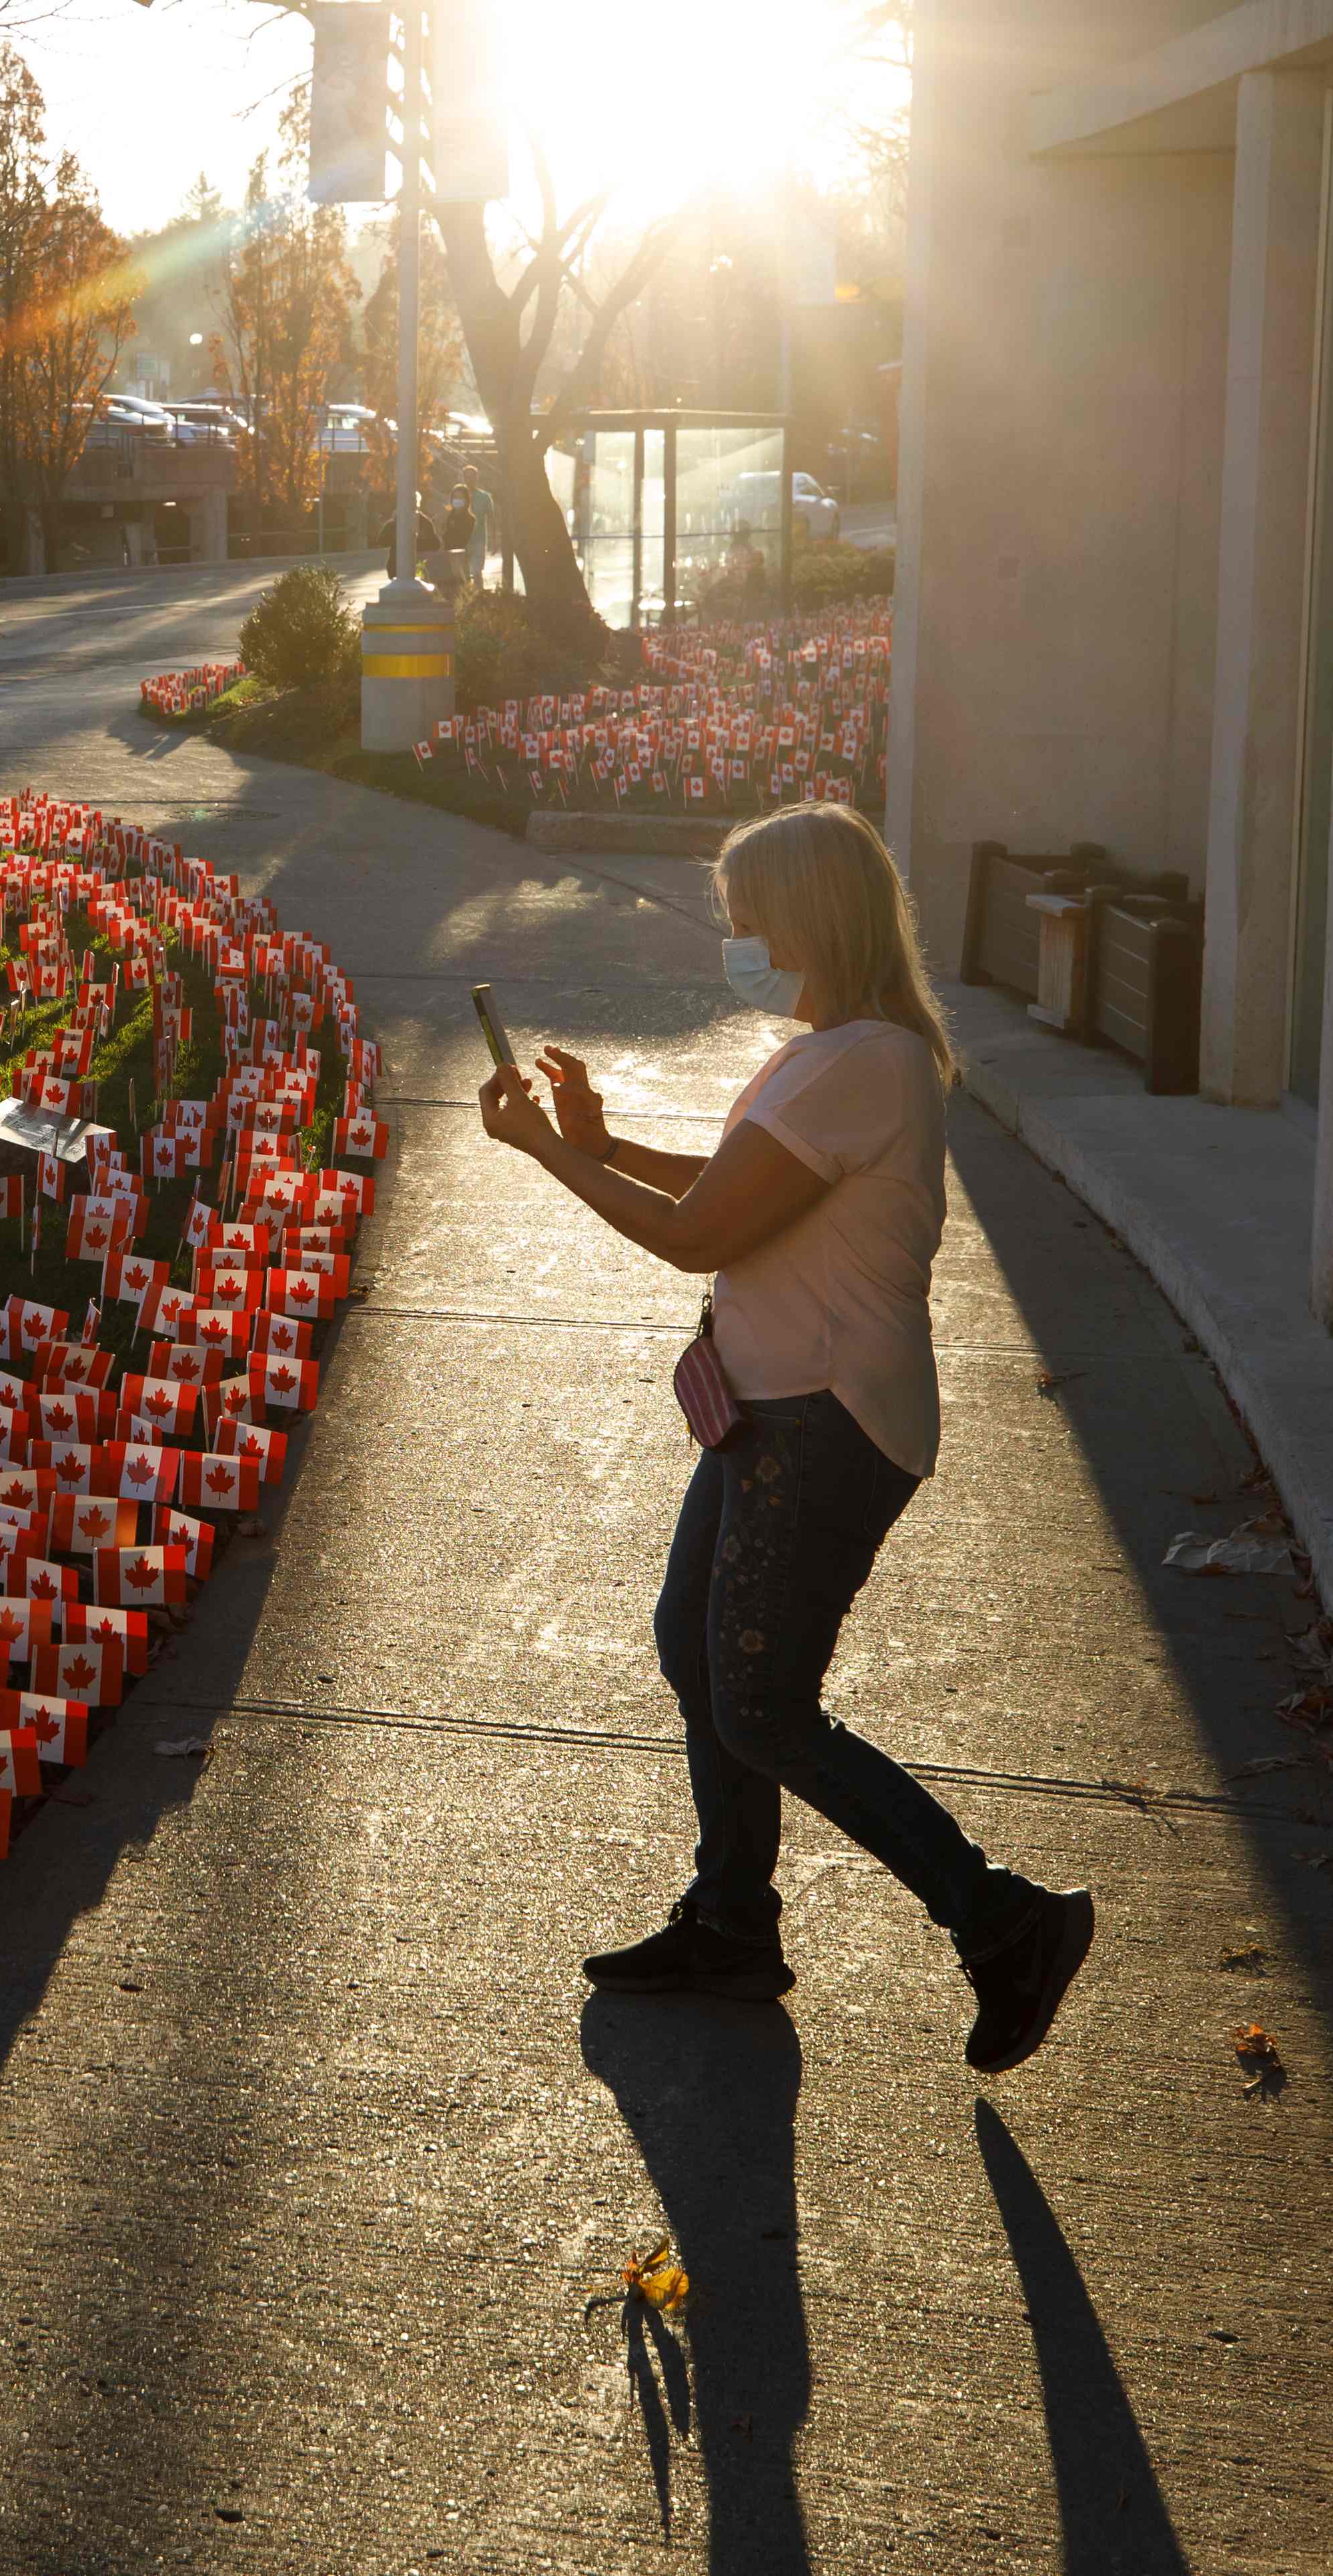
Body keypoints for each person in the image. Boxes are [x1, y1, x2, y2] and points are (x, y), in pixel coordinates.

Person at [473, 801, 1097, 2073]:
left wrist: (547, 1156)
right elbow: (732, 1191)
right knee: (695, 1651)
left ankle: (1002, 1920)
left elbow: (703, 1236)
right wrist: (602, 1143)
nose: (736, 939)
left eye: (751, 919)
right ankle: (732, 1923)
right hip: (771, 1408)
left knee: (760, 1703)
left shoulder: (865, 1060)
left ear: (813, 918)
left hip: (828, 1423)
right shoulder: (836, 1052)